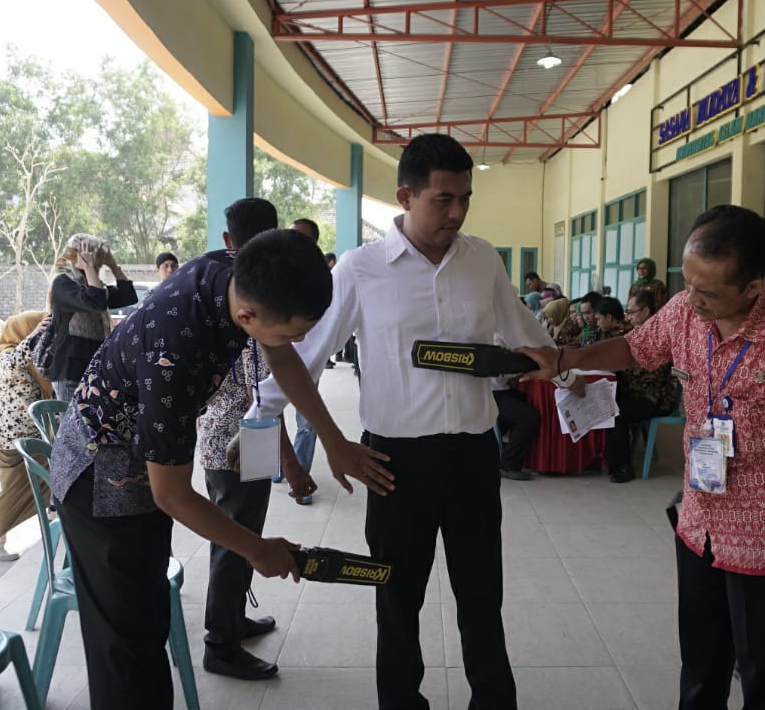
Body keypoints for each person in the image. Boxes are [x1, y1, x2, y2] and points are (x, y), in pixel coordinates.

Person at [247, 133, 576, 710]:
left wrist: (568, 371)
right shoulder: (361, 269)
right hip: (395, 463)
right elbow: (310, 354)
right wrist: (255, 428)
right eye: (442, 200)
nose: (457, 212)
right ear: (405, 195)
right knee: (397, 596)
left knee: (482, 596)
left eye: (465, 199)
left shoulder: (482, 260)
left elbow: (526, 335)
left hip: (474, 455)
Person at [518, 204, 765, 710]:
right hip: (700, 525)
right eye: (689, 283)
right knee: (700, 669)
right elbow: (637, 348)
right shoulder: (685, 310)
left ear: (753, 288)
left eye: (709, 292)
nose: (692, 300)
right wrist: (565, 359)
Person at [46, 228, 390, 709]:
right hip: (100, 471)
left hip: (140, 455)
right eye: (293, 331)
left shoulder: (236, 268)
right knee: (126, 642)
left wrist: (334, 441)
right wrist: (257, 549)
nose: (302, 342)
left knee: (146, 619)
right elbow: (173, 495)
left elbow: (282, 356)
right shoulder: (173, 358)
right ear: (248, 315)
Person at [192, 199, 317, 681]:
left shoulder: (237, 292)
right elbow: (261, 396)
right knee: (236, 541)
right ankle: (220, 646)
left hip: (243, 440)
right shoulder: (258, 302)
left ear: (229, 240)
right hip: (235, 443)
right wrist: (292, 462)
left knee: (245, 535)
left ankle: (234, 622)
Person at [0, 310, 54, 562]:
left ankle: (52, 513)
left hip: (32, 436)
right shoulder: (6, 356)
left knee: (46, 480)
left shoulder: (33, 359)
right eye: (30, 329)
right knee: (14, 490)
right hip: (10, 439)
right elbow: (15, 362)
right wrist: (35, 335)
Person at [44, 234, 138, 401]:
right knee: (72, 425)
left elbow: (128, 296)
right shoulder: (63, 282)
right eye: (91, 252)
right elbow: (96, 301)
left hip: (94, 367)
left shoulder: (93, 283)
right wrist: (89, 267)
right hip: (70, 370)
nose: (96, 257)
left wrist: (113, 266)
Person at [594, 294, 677, 483]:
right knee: (608, 406)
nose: (628, 317)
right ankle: (610, 460)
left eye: (631, 312)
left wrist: (622, 365)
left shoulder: (659, 337)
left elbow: (651, 375)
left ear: (646, 311)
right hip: (637, 393)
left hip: (656, 398)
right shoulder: (637, 333)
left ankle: (624, 466)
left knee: (618, 412)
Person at [286, 218, 323, 500]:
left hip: (307, 360)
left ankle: (300, 480)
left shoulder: (322, 278)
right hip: (275, 356)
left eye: (301, 237)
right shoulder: (277, 268)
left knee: (307, 423)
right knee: (268, 411)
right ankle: (283, 466)